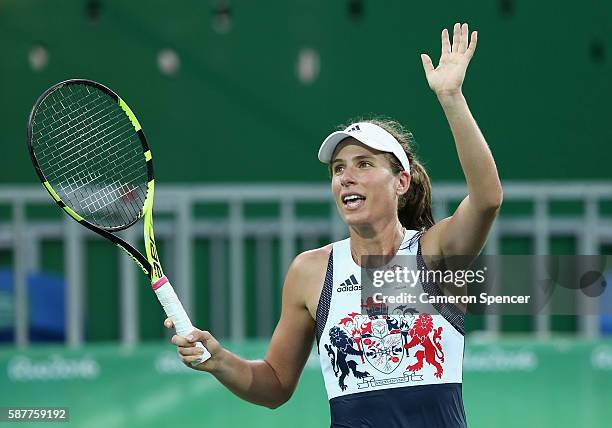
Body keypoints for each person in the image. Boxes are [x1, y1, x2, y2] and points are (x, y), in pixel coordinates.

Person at [165, 22, 502, 427]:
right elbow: (274, 384)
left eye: (363, 164)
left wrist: (450, 98)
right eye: (338, 169)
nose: (345, 177)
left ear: (401, 182)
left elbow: (487, 198)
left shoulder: (435, 252)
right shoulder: (311, 271)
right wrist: (219, 360)